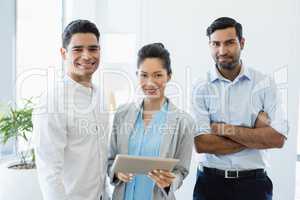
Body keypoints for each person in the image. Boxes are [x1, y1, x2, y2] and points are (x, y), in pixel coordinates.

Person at [192, 17, 288, 200]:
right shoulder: (200, 86)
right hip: (210, 185)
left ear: (242, 43)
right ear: (209, 45)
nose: (222, 51)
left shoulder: (264, 83)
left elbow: (277, 138)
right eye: (216, 44)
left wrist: (222, 129)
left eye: (229, 43)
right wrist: (256, 136)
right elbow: (202, 144)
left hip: (254, 186)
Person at [33, 19, 110, 200]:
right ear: (63, 53)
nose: (87, 56)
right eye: (78, 49)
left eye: (93, 49)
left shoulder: (100, 96)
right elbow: (49, 172)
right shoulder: (52, 102)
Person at [107, 43, 194, 200]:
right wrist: (117, 172)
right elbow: (110, 161)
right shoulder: (122, 114)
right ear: (137, 75)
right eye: (144, 75)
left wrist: (170, 182)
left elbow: (181, 171)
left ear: (169, 76)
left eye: (158, 75)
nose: (150, 82)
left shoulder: (184, 122)